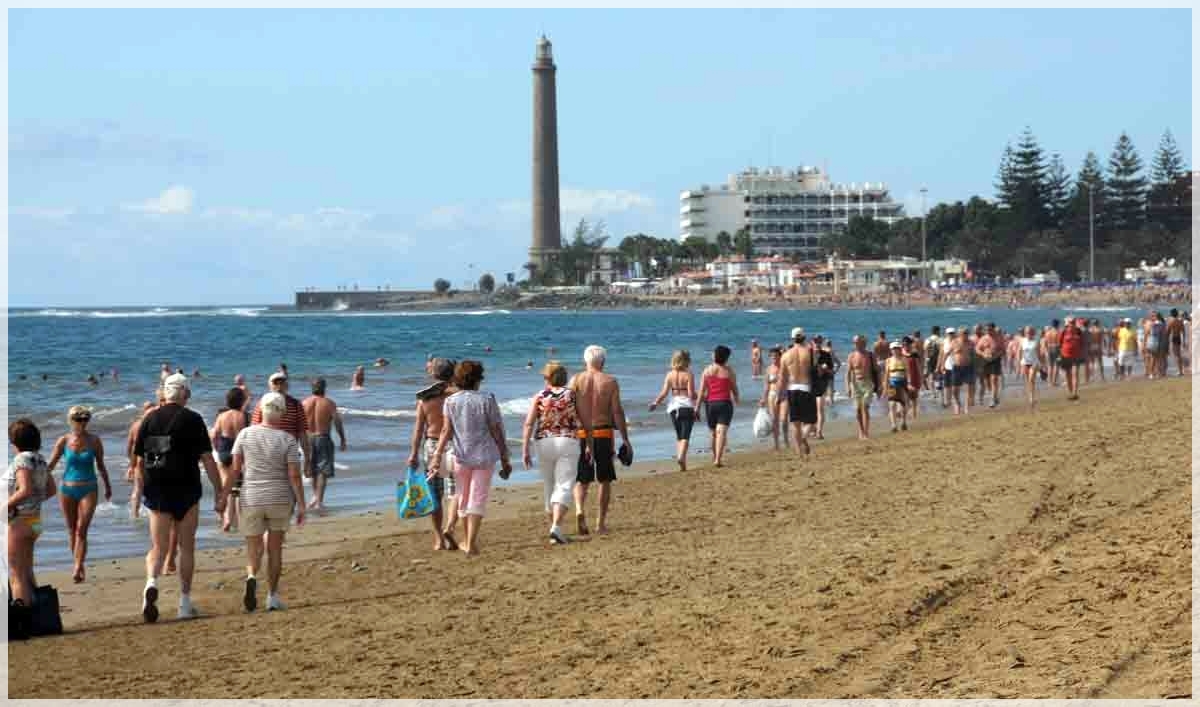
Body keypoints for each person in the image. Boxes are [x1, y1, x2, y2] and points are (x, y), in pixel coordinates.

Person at [132, 373, 224, 622]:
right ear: (185, 393)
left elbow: (143, 460)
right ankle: (184, 603)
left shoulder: (150, 419)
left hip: (158, 489)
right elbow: (207, 458)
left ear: (165, 393)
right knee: (186, 547)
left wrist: (139, 490)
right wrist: (220, 490)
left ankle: (151, 582)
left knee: (158, 547)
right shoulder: (193, 419)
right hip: (187, 489)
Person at [232, 392, 306, 612]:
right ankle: (272, 597)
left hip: (252, 496)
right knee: (275, 550)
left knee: (254, 546)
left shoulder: (245, 434)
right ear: (282, 414)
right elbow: (294, 475)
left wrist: (226, 496)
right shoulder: (288, 440)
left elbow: (235, 469)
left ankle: (252, 575)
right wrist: (302, 504)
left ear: (261, 411)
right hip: (280, 498)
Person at [428, 361, 512, 556]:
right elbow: (496, 430)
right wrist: (505, 456)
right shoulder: (487, 399)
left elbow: (446, 431)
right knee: (478, 497)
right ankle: (471, 542)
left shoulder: (451, 401)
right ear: (478, 380)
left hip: (461, 456)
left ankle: (466, 539)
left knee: (462, 496)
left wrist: (437, 456)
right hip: (484, 456)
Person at [568, 345, 631, 536]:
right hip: (602, 433)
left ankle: (579, 509)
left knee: (582, 479)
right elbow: (617, 411)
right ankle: (600, 524)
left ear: (585, 361)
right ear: (602, 361)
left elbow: (570, 409)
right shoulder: (610, 381)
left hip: (581, 433)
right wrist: (625, 438)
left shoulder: (576, 380)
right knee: (604, 480)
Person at [46, 405, 112, 583]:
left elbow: (101, 465)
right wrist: (37, 482)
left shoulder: (95, 441)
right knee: (71, 530)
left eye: (85, 419)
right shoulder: (63, 441)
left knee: (82, 529)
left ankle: (77, 566)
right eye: (79, 419)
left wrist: (108, 486)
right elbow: (50, 465)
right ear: (71, 420)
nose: (82, 423)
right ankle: (77, 562)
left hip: (89, 488)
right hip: (67, 489)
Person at [521, 361, 580, 545]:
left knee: (549, 484)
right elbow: (584, 419)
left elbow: (529, 423)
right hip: (567, 440)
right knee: (564, 484)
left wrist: (525, 449)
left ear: (548, 378)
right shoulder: (572, 395)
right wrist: (590, 445)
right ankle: (556, 526)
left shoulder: (540, 396)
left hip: (544, 442)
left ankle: (555, 529)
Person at [6, 419, 56, 619]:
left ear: (15, 442)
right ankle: (38, 616)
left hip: (20, 521)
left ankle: (23, 620)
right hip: (35, 521)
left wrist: (5, 506)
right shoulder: (40, 459)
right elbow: (51, 490)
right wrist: (34, 501)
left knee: (17, 574)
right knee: (26, 571)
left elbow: (25, 490)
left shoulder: (21, 460)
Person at [408, 358, 458, 551]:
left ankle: (438, 538)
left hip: (431, 445)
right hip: (454, 444)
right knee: (454, 492)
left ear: (433, 375)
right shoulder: (457, 395)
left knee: (434, 494)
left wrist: (413, 453)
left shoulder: (425, 399)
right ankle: (450, 528)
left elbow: (418, 430)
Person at [251, 372, 311, 491]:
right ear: (270, 386)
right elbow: (255, 431)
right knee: (270, 488)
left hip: (290, 454)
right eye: (276, 383)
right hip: (267, 454)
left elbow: (302, 433)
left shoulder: (295, 405)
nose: (279, 386)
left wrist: (307, 459)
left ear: (287, 385)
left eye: (282, 383)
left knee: (290, 489)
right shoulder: (262, 403)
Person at [302, 378, 347, 515]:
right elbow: (337, 422)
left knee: (313, 469)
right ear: (324, 388)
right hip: (323, 437)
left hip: (308, 438)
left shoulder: (304, 403)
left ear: (312, 388)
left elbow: (298, 424)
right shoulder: (329, 403)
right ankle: (319, 501)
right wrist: (342, 438)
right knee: (322, 470)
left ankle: (315, 497)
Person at [650, 350, 697, 468]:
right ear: (686, 361)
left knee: (679, 436)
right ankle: (681, 457)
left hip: (673, 408)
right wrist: (701, 396)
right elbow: (691, 395)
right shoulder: (688, 374)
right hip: (686, 406)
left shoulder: (669, 375)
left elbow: (664, 393)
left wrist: (655, 402)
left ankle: (682, 463)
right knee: (685, 436)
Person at [210, 388, 248, 532]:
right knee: (237, 488)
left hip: (224, 449)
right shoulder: (243, 416)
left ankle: (226, 517)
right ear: (241, 401)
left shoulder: (222, 416)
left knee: (226, 485)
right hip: (238, 450)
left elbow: (214, 435)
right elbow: (246, 436)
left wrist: (216, 449)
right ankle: (238, 520)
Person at [696, 345, 739, 468]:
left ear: (715, 355)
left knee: (714, 433)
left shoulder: (707, 370)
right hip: (724, 404)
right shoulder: (729, 371)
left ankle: (715, 457)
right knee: (721, 432)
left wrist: (697, 408)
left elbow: (701, 391)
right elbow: (734, 388)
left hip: (710, 404)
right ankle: (718, 459)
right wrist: (736, 397)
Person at [777, 327, 819, 456]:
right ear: (804, 337)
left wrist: (779, 394)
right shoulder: (809, 352)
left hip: (792, 389)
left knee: (795, 423)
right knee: (811, 421)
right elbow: (815, 369)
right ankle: (804, 438)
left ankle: (799, 452)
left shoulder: (785, 355)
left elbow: (782, 378)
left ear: (792, 338)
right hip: (806, 388)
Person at [845, 335, 878, 439]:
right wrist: (848, 387)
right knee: (858, 410)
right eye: (855, 342)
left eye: (858, 342)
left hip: (868, 383)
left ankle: (866, 432)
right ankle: (861, 431)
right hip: (856, 384)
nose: (856, 344)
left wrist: (880, 385)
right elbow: (848, 373)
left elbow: (877, 370)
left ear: (864, 343)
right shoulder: (851, 356)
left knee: (865, 407)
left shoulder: (870, 355)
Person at [757, 347, 784, 451]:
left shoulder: (784, 368)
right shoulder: (768, 369)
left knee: (784, 418)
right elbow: (766, 386)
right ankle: (776, 443)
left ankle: (786, 439)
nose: (774, 358)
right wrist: (763, 398)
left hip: (783, 395)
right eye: (772, 357)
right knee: (775, 420)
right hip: (772, 395)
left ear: (780, 356)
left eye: (776, 356)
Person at [810, 335, 835, 439]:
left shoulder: (826, 355)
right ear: (812, 342)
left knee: (820, 409)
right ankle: (812, 429)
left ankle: (819, 432)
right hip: (809, 386)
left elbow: (831, 371)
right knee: (810, 410)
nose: (817, 343)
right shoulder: (808, 355)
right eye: (815, 341)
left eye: (819, 341)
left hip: (821, 385)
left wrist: (825, 370)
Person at [883, 342, 910, 432]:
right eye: (894, 349)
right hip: (892, 384)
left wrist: (909, 383)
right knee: (892, 404)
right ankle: (893, 425)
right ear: (891, 350)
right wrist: (885, 388)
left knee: (903, 404)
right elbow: (886, 375)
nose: (896, 350)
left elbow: (907, 373)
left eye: (897, 348)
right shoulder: (888, 360)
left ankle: (903, 422)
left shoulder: (904, 359)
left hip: (902, 383)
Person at [975, 324, 1002, 409]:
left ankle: (992, 400)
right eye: (987, 330)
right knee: (987, 382)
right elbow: (977, 349)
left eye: (990, 329)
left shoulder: (998, 338)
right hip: (985, 360)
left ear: (993, 329)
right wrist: (983, 354)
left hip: (995, 360)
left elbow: (1003, 350)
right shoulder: (983, 338)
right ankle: (994, 395)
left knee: (994, 379)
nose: (988, 331)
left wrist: (996, 355)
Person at [1018, 326, 1044, 409]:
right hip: (1025, 362)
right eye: (1027, 332)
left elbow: (1039, 353)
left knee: (1031, 379)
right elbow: (1019, 351)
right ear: (1025, 333)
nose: (1028, 333)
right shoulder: (1022, 341)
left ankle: (1032, 398)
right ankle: (1030, 397)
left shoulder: (1036, 341)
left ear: (1033, 332)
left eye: (1030, 332)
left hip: (1034, 362)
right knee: (1028, 381)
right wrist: (1019, 362)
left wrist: (1042, 365)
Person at [1059, 316, 1084, 400]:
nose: (1072, 324)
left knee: (1075, 374)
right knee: (1067, 375)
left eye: (1073, 322)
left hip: (1076, 356)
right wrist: (1059, 355)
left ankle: (1074, 393)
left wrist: (1083, 353)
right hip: (1065, 355)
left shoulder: (1078, 331)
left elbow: (1082, 342)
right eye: (1070, 323)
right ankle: (1070, 392)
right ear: (1067, 324)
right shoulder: (1063, 331)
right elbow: (1060, 343)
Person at [902, 336, 923, 421]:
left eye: (907, 344)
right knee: (905, 398)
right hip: (904, 378)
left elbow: (919, 367)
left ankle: (914, 416)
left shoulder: (914, 354)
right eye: (904, 344)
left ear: (910, 345)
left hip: (914, 378)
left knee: (914, 398)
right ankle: (906, 416)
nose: (905, 346)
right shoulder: (901, 354)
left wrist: (921, 378)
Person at [1167, 308, 1187, 376]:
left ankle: (1180, 371)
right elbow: (1183, 331)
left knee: (1176, 355)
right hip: (1179, 338)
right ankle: (1181, 370)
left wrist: (1166, 340)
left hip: (1174, 338)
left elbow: (1168, 332)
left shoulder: (1171, 321)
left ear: (1172, 314)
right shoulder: (1180, 321)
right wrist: (1184, 340)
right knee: (1178, 355)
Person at [1043, 320, 1061, 387]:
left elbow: (1045, 342)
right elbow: (1060, 342)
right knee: (1056, 365)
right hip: (1056, 348)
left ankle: (1049, 382)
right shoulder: (1058, 332)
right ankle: (1054, 382)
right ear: (1057, 325)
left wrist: (1046, 350)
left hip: (1049, 348)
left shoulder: (1047, 332)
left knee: (1050, 366)